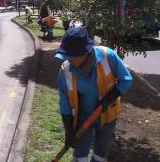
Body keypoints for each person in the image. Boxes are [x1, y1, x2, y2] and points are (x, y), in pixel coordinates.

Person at [56, 27, 132, 162]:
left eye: (71, 56)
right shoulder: (66, 70)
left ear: (85, 53)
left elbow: (126, 80)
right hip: (82, 118)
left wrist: (110, 98)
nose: (68, 60)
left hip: (107, 115)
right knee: (80, 153)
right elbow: (64, 102)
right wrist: (68, 130)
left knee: (101, 152)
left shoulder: (108, 56)